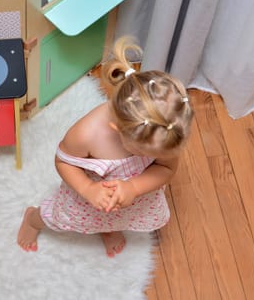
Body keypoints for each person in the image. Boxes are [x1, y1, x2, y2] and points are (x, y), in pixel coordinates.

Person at [17, 36, 194, 257]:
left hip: (135, 197)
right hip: (88, 197)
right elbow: (62, 162)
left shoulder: (164, 132)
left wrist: (134, 188)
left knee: (120, 217)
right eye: (144, 153)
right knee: (58, 215)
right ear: (116, 130)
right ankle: (33, 219)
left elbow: (166, 169)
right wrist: (87, 189)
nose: (151, 157)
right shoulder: (85, 134)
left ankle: (109, 229)